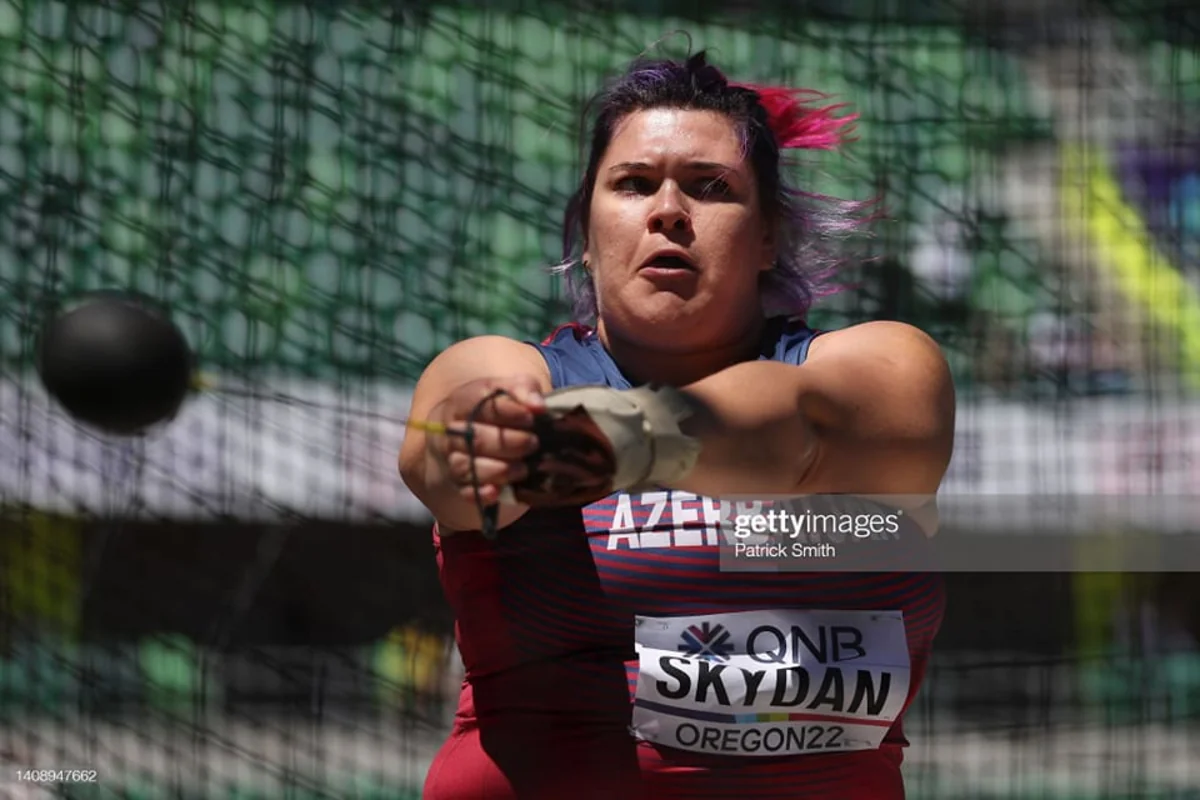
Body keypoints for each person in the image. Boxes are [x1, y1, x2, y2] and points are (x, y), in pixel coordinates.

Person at [399, 48, 955, 800]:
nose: (667, 210)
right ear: (586, 234)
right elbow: (449, 452)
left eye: (710, 186)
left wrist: (625, 438)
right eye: (633, 184)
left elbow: (802, 430)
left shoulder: (886, 364)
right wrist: (490, 444)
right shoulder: (505, 369)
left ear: (768, 236)